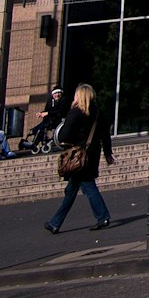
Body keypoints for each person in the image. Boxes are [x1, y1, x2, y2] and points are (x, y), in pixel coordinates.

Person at [44, 83, 114, 234]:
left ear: (79, 96)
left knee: (88, 186)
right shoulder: (98, 113)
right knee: (72, 189)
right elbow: (105, 135)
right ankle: (55, 223)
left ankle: (103, 216)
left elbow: (64, 135)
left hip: (78, 156)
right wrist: (108, 154)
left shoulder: (75, 112)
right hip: (92, 154)